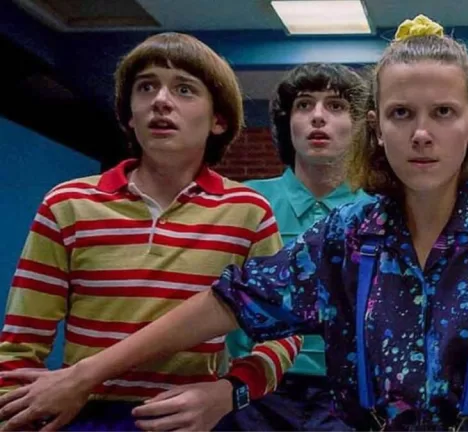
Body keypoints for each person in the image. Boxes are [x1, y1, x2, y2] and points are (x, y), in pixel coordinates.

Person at [4, 16, 468, 432]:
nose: (422, 133)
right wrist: (83, 374)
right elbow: (226, 304)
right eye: (401, 114)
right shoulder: (346, 238)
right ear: (378, 127)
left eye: (443, 113)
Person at [0, 32, 299, 431]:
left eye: (184, 89)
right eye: (146, 87)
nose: (160, 100)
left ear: (218, 120)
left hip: (194, 417)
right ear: (129, 114)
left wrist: (229, 392)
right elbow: (20, 344)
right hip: (85, 415)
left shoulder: (248, 211)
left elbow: (284, 332)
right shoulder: (67, 203)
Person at [227, 63, 367, 431]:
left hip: (353, 398)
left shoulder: (381, 211)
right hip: (252, 395)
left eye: (336, 106)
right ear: (287, 122)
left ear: (361, 125)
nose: (318, 116)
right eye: (304, 105)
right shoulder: (244, 202)